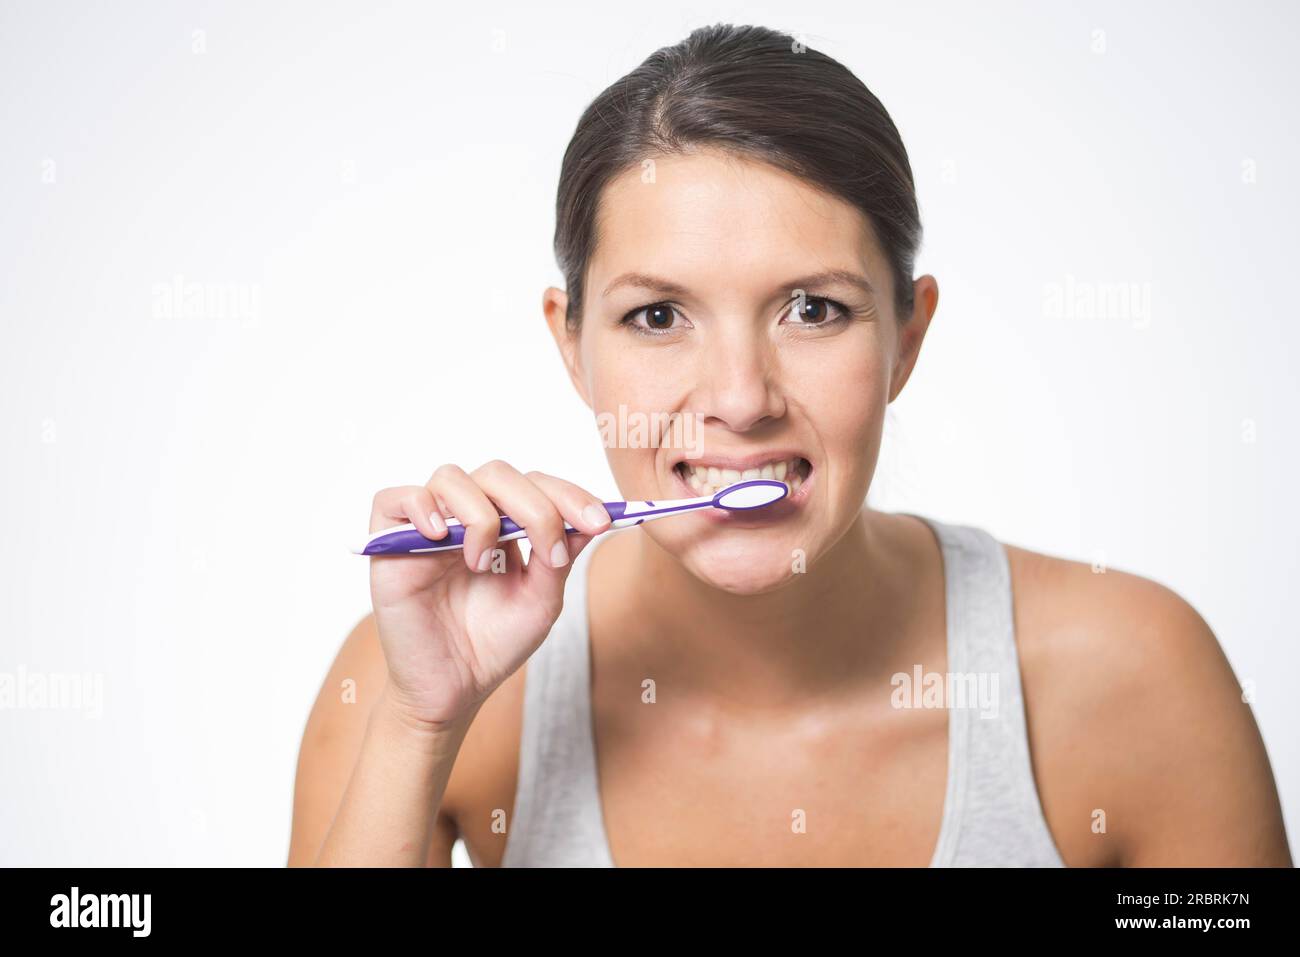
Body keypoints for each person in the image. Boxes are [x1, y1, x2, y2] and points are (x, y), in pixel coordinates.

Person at [288, 23, 1291, 867]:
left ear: (907, 337)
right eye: (655, 317)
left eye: (812, 310)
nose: (739, 399)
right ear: (571, 341)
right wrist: (420, 727)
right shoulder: (423, 682)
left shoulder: (1128, 674)